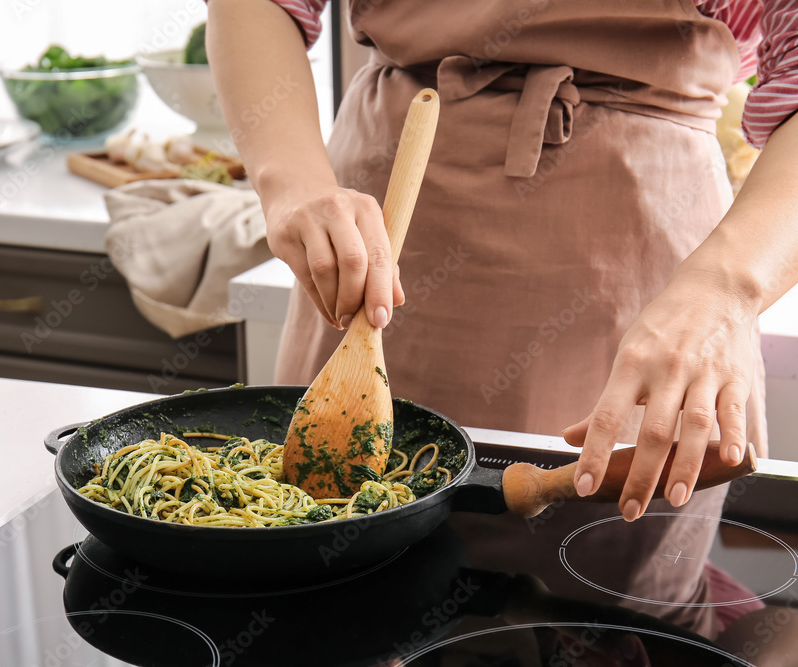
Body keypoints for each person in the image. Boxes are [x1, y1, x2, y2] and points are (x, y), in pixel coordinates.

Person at [207, 0, 798, 638]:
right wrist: (290, 180)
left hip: (649, 258)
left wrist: (727, 287)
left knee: (597, 622)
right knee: (332, 577)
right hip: (380, 224)